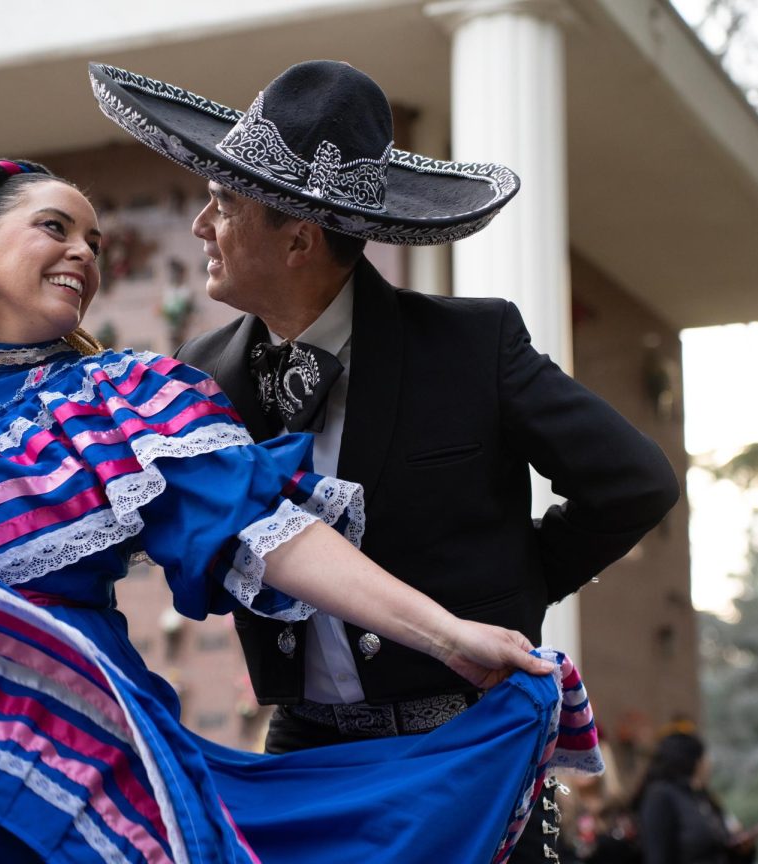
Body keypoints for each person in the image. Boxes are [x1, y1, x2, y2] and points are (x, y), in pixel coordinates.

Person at [0, 158, 600, 862]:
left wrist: (445, 634)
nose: (82, 253)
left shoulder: (126, 401)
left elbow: (275, 538)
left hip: (63, 761)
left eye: (96, 243)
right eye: (55, 228)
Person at [88, 58, 679, 862]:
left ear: (298, 238)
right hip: (302, 752)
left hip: (466, 744)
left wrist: (512, 587)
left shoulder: (474, 344)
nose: (201, 226)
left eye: (224, 204)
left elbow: (634, 481)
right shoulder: (204, 370)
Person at [632, 732, 758, 864]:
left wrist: (743, 851)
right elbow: (657, 855)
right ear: (696, 762)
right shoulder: (662, 796)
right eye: (705, 757)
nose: (709, 764)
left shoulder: (703, 798)